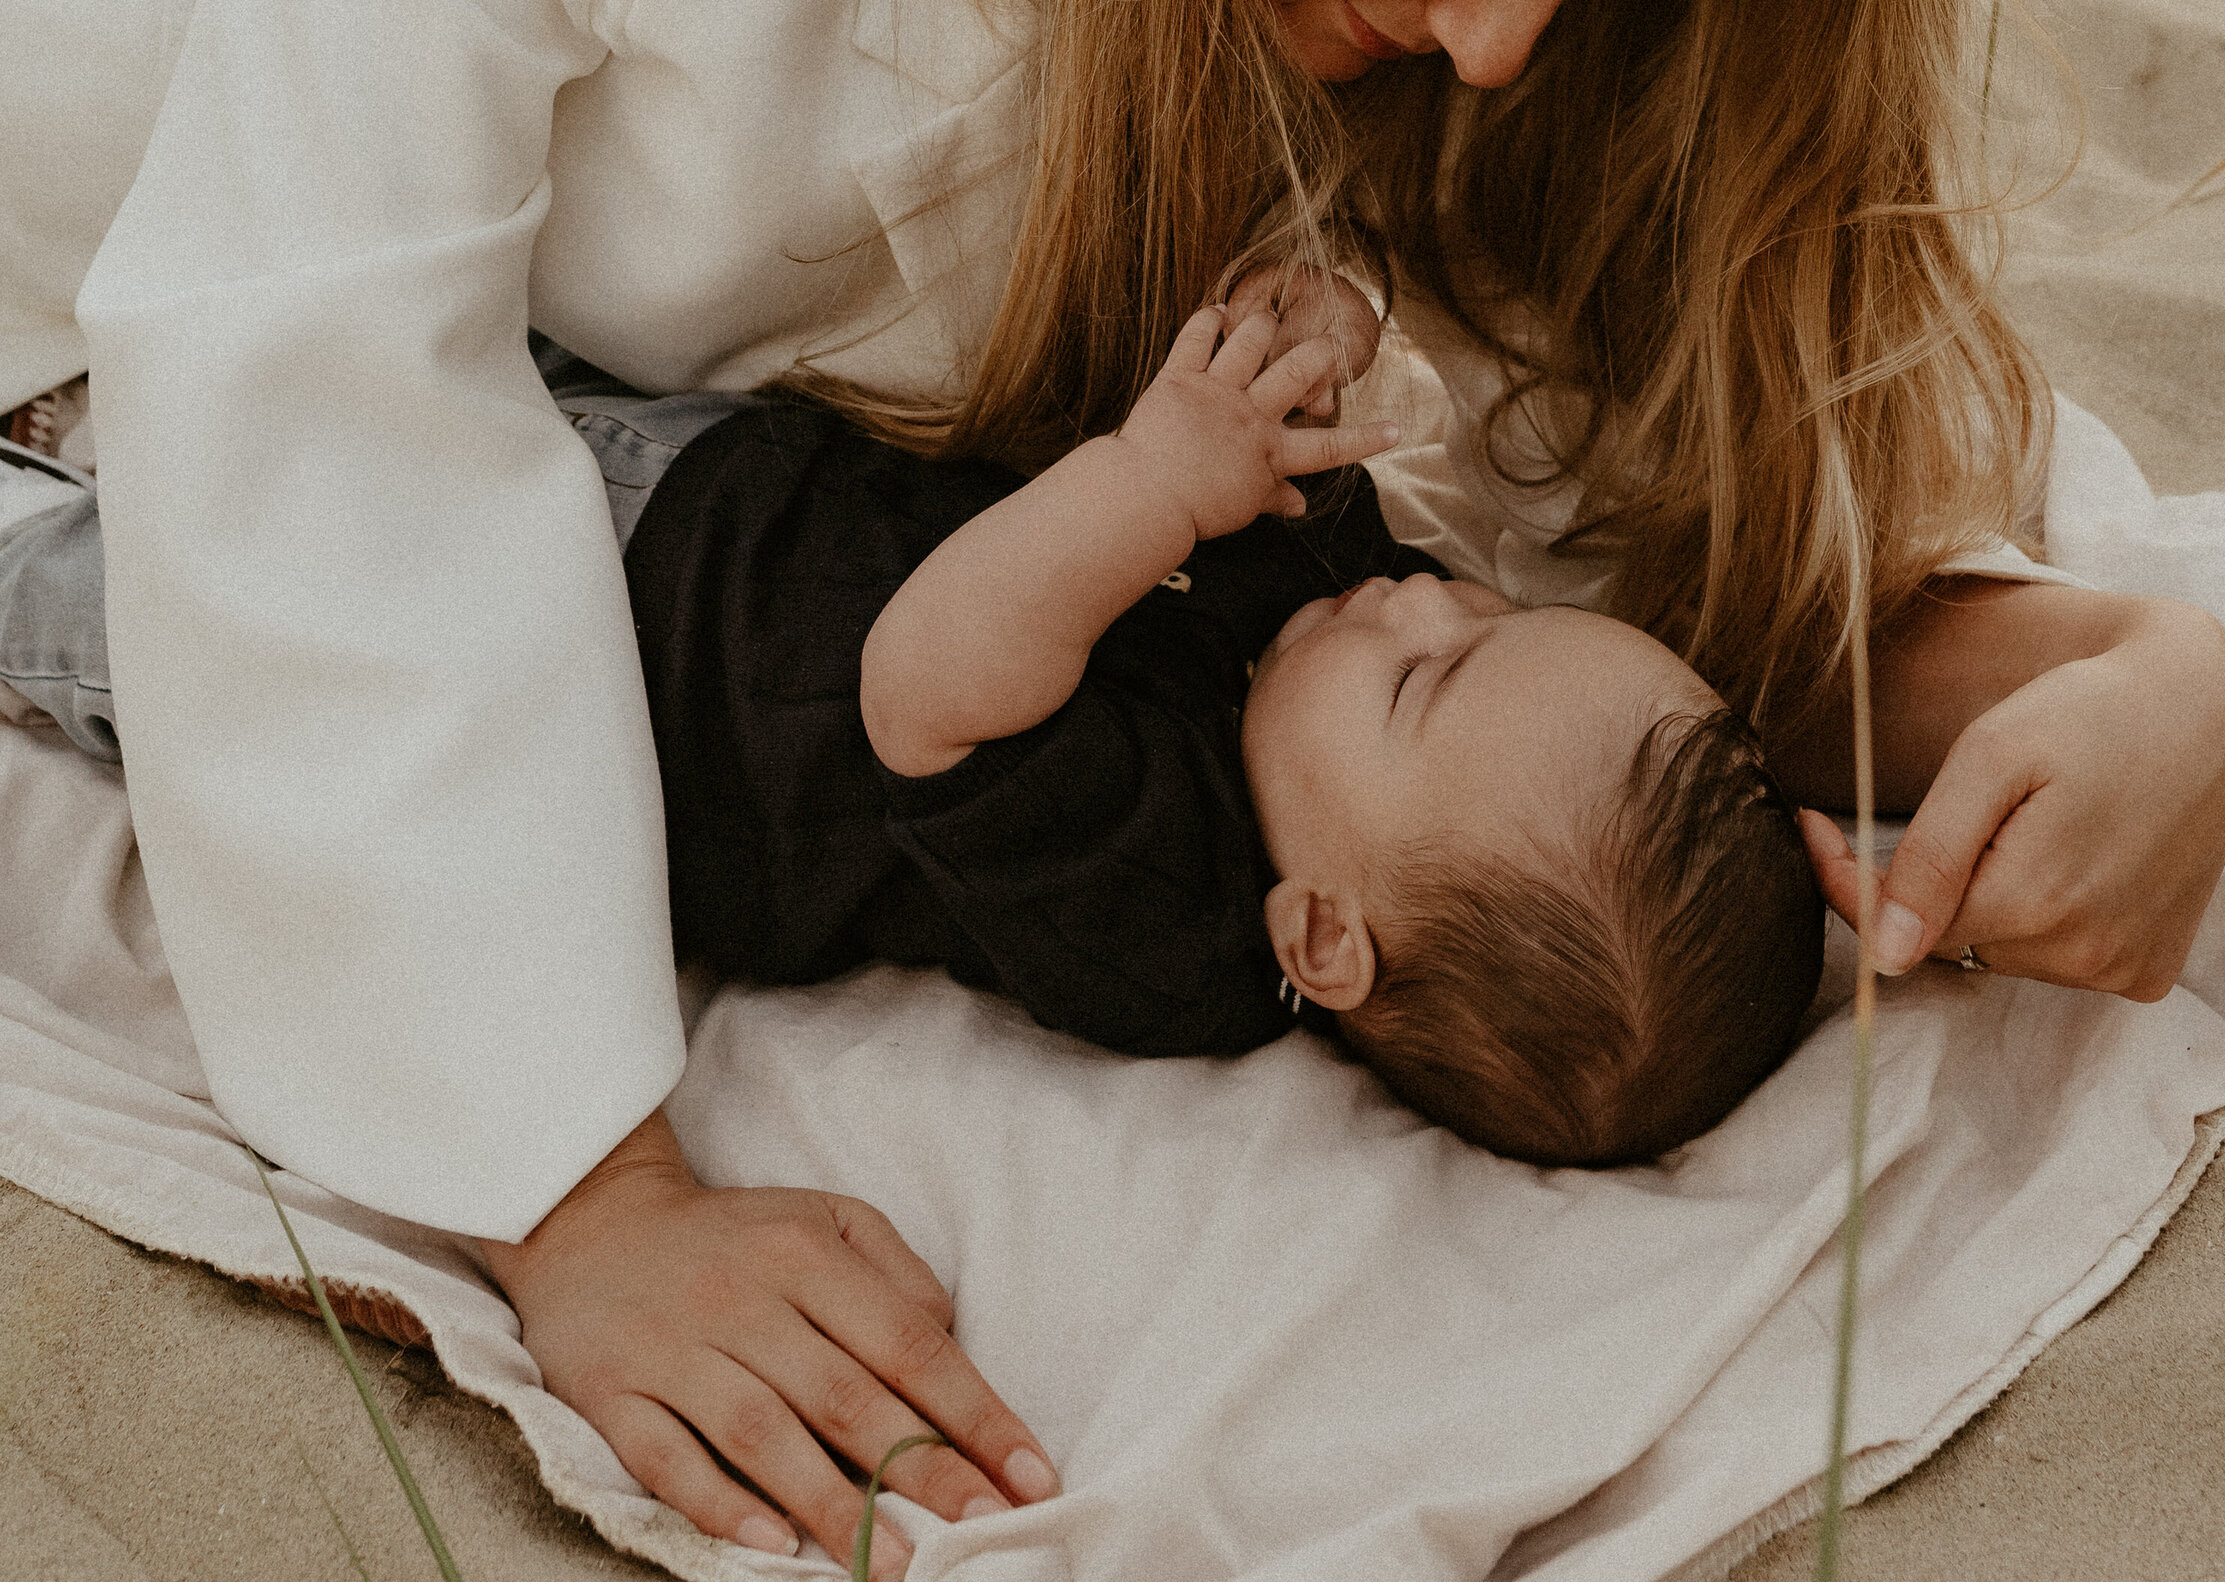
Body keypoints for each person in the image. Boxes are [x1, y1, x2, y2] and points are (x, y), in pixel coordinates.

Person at [0, 0, 2225, 1578]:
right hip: (69, 140)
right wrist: (588, 1201)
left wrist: (2161, 678)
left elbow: (1635, 567)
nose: (1500, 47)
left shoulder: (1423, 13)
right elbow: (318, 366)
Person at [1, 298, 1830, 1167]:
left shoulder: (1173, 916)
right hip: (692, 480)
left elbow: (932, 683)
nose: (1425, 603)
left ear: (1324, 938)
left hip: (545, 671)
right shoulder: (1320, 683)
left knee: (164, 614)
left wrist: (1150, 483)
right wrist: (1289, 378)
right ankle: (121, 388)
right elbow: (1298, 514)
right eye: (1489, 612)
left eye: (1434, 675)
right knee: (278, 348)